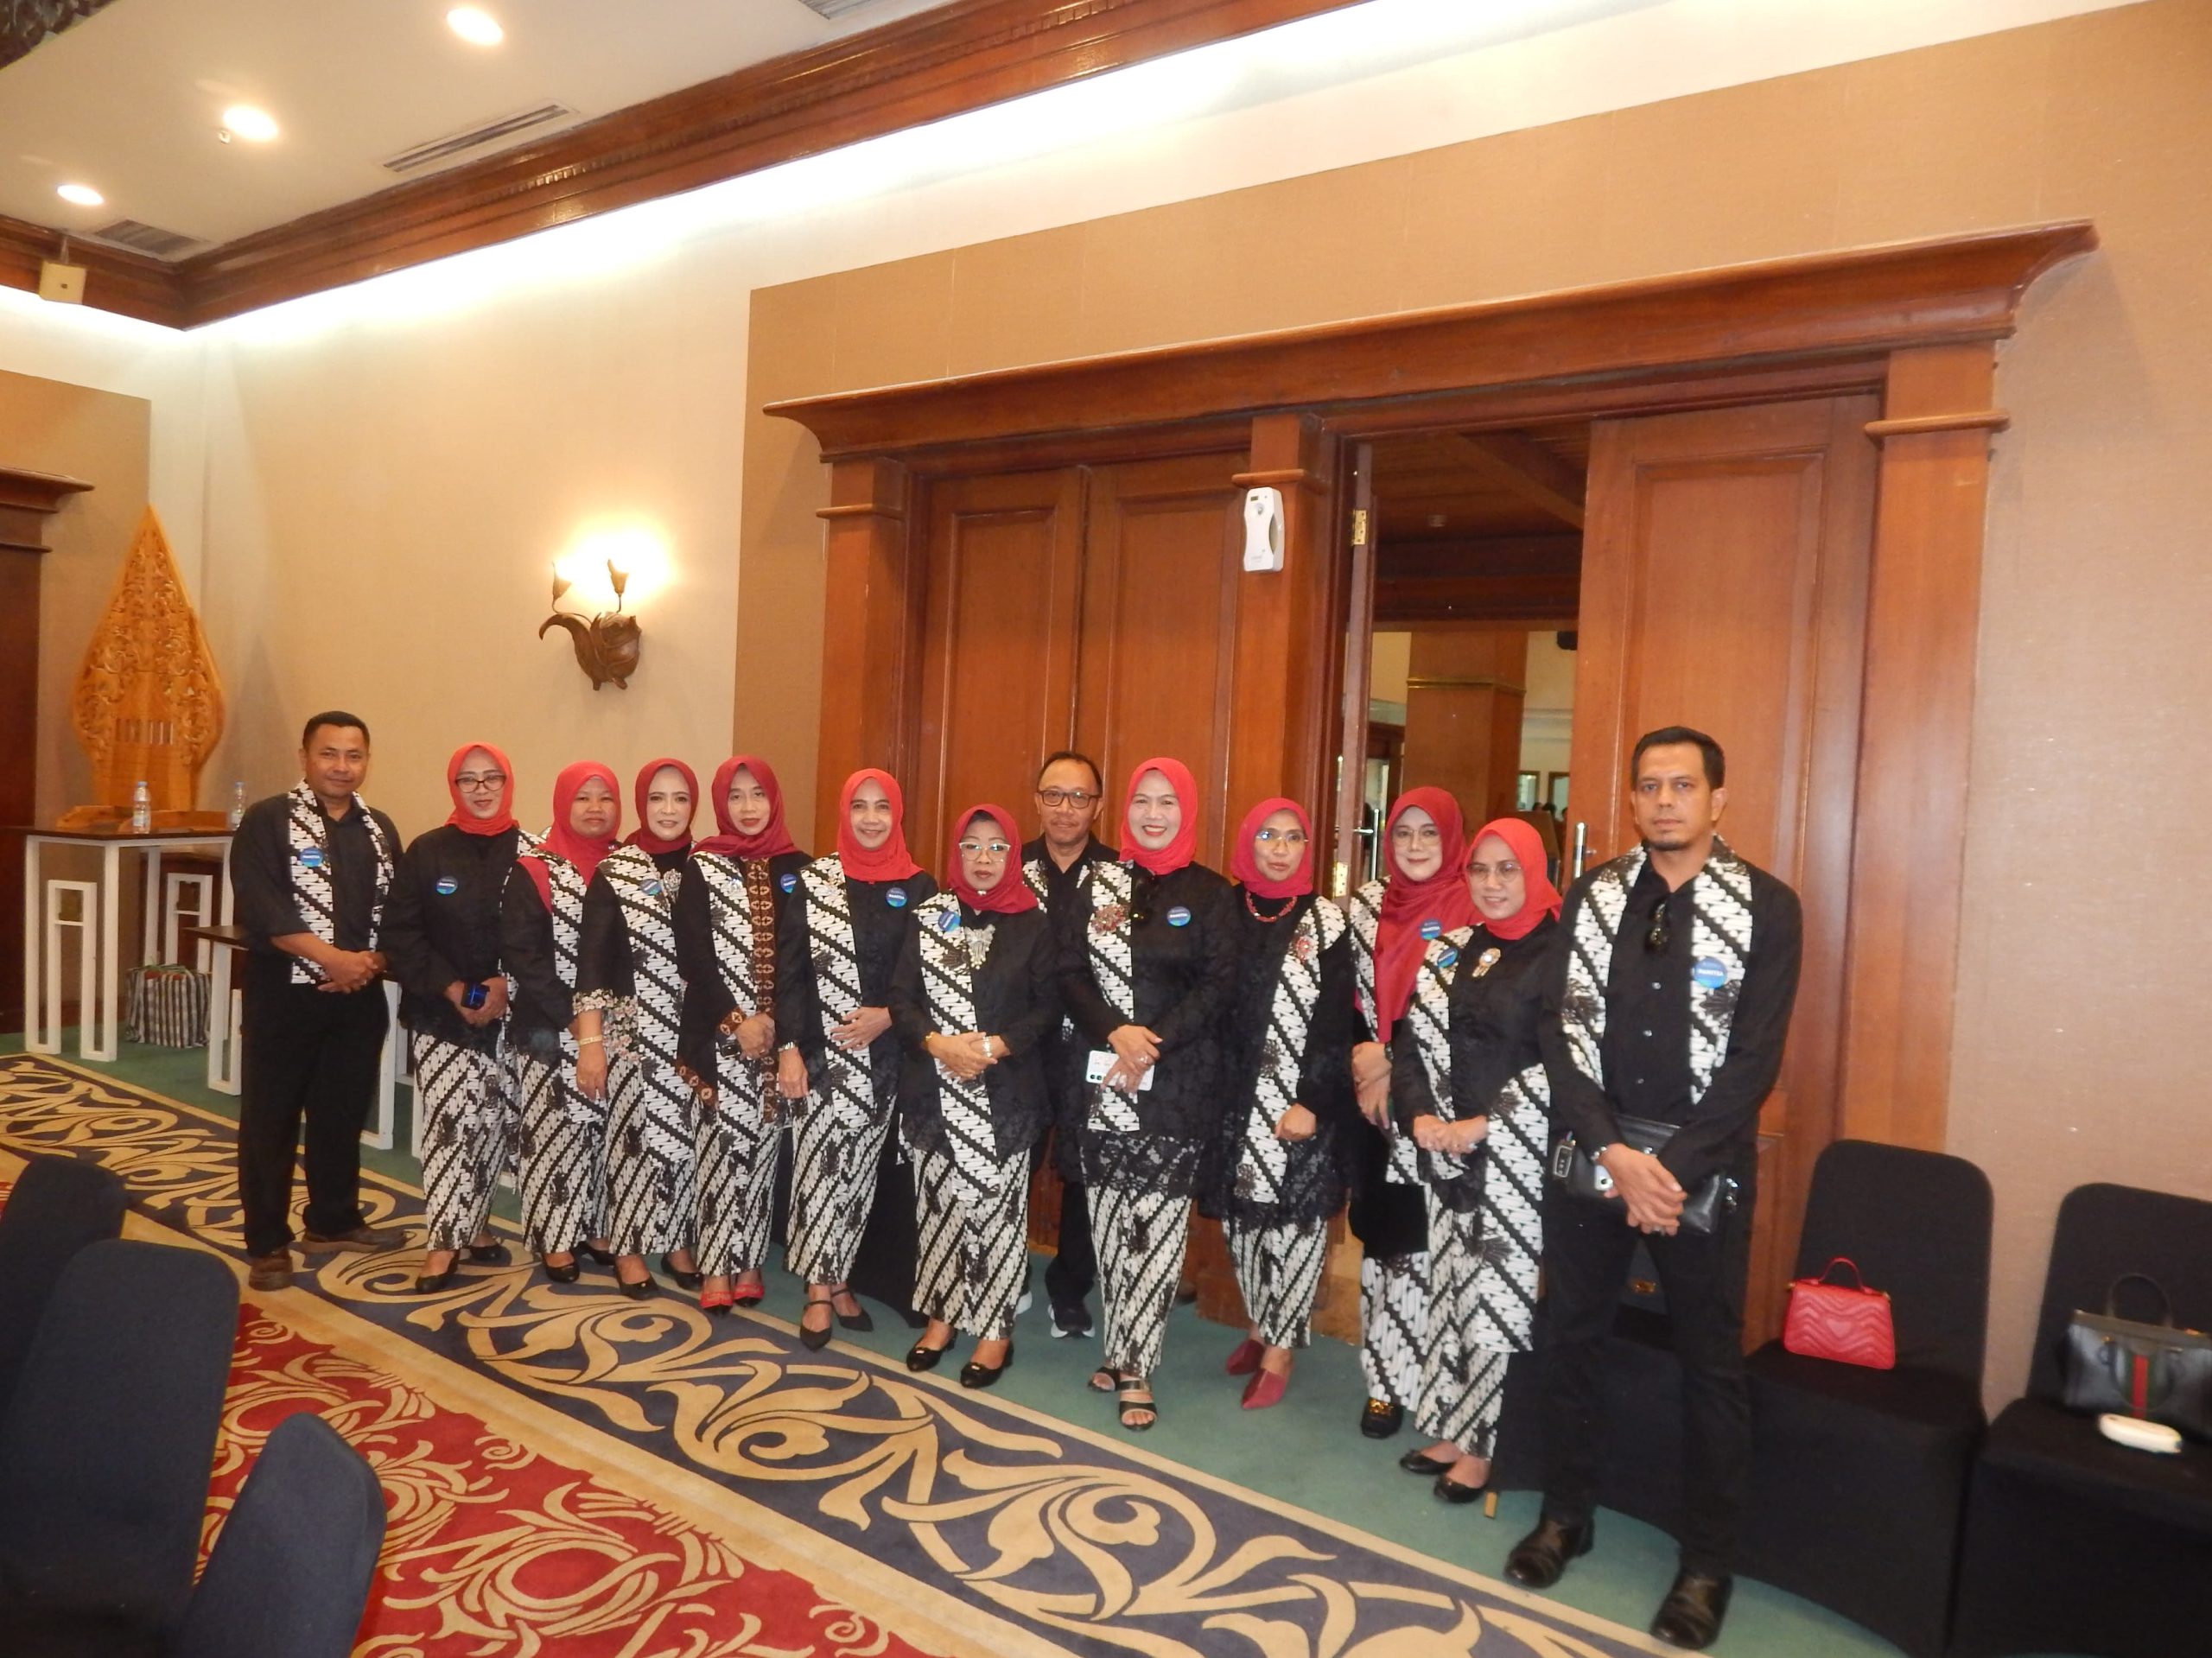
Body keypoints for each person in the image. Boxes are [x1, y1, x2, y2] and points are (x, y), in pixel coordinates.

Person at [1508, 727, 1802, 1653]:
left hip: (1698, 1174)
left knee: (1711, 1367)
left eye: (1683, 785)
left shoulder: (1767, 906)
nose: (1665, 800)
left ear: (1718, 798)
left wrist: (1665, 1170)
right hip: (1594, 1155)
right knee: (1571, 1339)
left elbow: (1755, 1057)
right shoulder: (1594, 895)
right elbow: (1558, 1031)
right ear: (1631, 799)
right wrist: (1612, 1150)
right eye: (1649, 786)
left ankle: (1707, 1562)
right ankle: (1566, 1514)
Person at [1060, 757, 1236, 1431]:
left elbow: (1217, 987)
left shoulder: (1212, 894)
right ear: (1125, 809)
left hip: (1176, 1081)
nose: (1153, 813)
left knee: (1155, 1227)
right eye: (1143, 800)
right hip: (1105, 1074)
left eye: (1168, 802)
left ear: (1186, 811)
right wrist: (1115, 1031)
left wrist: (1150, 1041)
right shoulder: (1096, 881)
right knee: (1109, 1220)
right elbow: (1068, 971)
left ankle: (1136, 1363)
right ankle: (1121, 1341)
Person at [1390, 816, 1560, 1502]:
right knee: (1452, 1288)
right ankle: (1455, 1425)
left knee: (1498, 1300)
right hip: (1447, 1155)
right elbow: (1410, 1044)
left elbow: (1567, 1064)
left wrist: (1483, 1126)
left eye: (1507, 869)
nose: (1492, 884)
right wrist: (1420, 1115)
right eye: (1480, 870)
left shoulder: (1561, 956)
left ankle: (1488, 1446)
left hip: (1516, 1161)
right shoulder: (1453, 947)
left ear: (1536, 872)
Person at [230, 711, 404, 1292]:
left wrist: (371, 961)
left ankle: (332, 1219)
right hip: (284, 995)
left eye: (354, 755)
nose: (342, 766)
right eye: (329, 753)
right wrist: (332, 959)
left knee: (341, 1113)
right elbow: (264, 908)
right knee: (271, 1120)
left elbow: (400, 913)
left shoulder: (379, 827)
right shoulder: (267, 821)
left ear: (367, 761)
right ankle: (267, 1242)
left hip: (359, 996)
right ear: (304, 757)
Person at [891, 804, 1060, 1387]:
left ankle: (994, 1329)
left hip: (1005, 1093)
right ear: (956, 852)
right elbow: (902, 998)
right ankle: (941, 1316)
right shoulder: (929, 916)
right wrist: (938, 1044)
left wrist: (997, 1045)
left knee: (997, 1215)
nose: (983, 858)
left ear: (1013, 855)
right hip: (934, 1088)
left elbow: (1048, 1007)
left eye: (996, 847)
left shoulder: (1034, 922)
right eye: (971, 846)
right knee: (938, 1207)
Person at [777, 768, 936, 1349]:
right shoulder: (814, 880)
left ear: (897, 815)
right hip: (819, 1053)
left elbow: (926, 976)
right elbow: (789, 972)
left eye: (882, 807)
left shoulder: (919, 886)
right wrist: (788, 1049)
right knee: (819, 1168)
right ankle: (819, 1290)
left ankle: (839, 1276)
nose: (871, 818)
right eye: (860, 807)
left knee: (858, 1173)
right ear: (845, 813)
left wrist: (888, 1016)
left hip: (884, 1057)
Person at [1207, 797, 1357, 1409]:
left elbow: (1335, 1023)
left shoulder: (1325, 922)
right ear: (1249, 841)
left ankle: (1282, 1347)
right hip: (1232, 1097)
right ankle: (1260, 1323)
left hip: (1298, 1096)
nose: (1280, 847)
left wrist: (1313, 1102)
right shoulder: (1225, 911)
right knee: (1243, 1220)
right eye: (1267, 834)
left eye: (1293, 837)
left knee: (1292, 1225)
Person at [1344, 788, 1478, 1439]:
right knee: (1385, 1234)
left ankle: (1429, 1378)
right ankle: (1385, 1378)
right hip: (1374, 1103)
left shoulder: (1475, 903)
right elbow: (1342, 999)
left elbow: (1473, 1013)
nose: (1416, 845)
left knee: (1435, 1243)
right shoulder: (1369, 904)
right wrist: (1364, 1063)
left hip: (1445, 1102)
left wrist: (1391, 1060)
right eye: (1403, 833)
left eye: (1430, 833)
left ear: (1452, 838)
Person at [380, 740, 524, 1293]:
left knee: (496, 1124)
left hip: (513, 1014)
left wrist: (505, 985)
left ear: (508, 783)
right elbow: (401, 933)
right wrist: (456, 989)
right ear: (454, 786)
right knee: (449, 1129)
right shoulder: (428, 850)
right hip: (442, 1014)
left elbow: (547, 935)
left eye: (492, 778)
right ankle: (443, 1242)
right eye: (469, 779)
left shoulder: (533, 852)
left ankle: (478, 1227)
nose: (481, 789)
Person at [674, 755, 808, 1313]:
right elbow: (693, 956)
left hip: (778, 1038)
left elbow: (804, 961)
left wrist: (777, 1029)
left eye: (758, 794)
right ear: (721, 804)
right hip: (717, 1033)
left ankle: (749, 1260)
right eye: (736, 796)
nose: (749, 806)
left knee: (762, 1152)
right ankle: (715, 1263)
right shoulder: (702, 866)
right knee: (717, 1151)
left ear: (774, 799)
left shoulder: (800, 867)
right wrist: (737, 1021)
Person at [576, 759, 704, 1297]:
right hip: (632, 1033)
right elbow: (592, 963)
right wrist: (591, 1044)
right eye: (657, 798)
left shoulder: (709, 864)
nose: (668, 810)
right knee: (631, 1140)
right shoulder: (618, 869)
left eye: (680, 798)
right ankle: (628, 1248)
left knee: (688, 1137)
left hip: (696, 1032)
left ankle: (676, 1241)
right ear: (641, 804)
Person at [502, 761, 622, 1284]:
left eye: (605, 798)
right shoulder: (534, 868)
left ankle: (596, 1228)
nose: (595, 808)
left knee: (602, 1129)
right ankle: (555, 1237)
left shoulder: (626, 865)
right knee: (553, 1132)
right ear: (562, 803)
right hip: (549, 1025)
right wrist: (572, 1018)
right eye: (583, 798)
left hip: (614, 1026)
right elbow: (524, 955)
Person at [1020, 750, 1115, 1338]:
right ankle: (1005, 1272)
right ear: (1037, 800)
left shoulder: (1121, 875)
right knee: (1012, 1160)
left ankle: (1070, 1287)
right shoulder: (1007, 866)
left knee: (1085, 1172)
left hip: (1091, 1050)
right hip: (1022, 1050)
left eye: (1079, 796)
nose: (1065, 808)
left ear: (1097, 806)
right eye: (1054, 794)